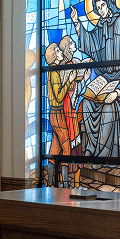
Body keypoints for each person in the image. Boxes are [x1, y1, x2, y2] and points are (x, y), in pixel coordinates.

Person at [69, 0, 120, 159]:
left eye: (102, 6)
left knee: (109, 106)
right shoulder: (101, 26)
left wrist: (118, 92)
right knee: (87, 104)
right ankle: (92, 149)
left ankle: (104, 155)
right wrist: (77, 23)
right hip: (104, 80)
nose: (100, 10)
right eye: (97, 8)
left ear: (110, 4)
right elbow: (89, 43)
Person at [45, 43, 77, 186]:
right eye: (57, 50)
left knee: (55, 148)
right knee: (66, 147)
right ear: (53, 56)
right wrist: (69, 80)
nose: (60, 51)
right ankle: (65, 184)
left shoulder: (54, 71)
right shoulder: (53, 72)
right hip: (57, 113)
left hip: (55, 113)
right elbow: (58, 97)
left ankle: (50, 182)